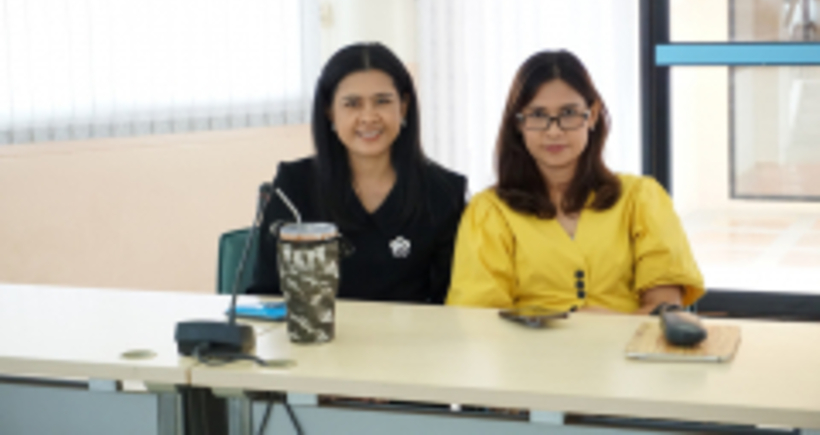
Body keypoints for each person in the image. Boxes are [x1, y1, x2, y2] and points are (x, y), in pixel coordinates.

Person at [447, 50, 704, 314]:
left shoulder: (641, 199)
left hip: (627, 342)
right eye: (538, 115)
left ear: (592, 115)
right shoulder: (489, 212)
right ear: (518, 124)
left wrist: (609, 327)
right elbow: (478, 320)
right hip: (526, 344)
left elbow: (664, 312)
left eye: (568, 113)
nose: (554, 131)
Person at [249, 42, 467, 304]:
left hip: (412, 332)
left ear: (404, 106)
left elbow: (452, 305)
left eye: (382, 101)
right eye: (352, 104)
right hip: (317, 331)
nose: (368, 117)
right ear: (329, 111)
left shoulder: (445, 192)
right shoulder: (293, 186)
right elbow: (266, 295)